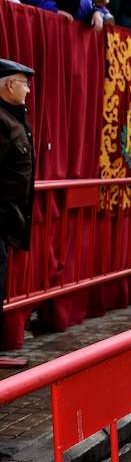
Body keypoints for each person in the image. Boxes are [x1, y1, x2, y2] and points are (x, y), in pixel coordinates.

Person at [0, 58, 36, 369]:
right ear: (9, 85)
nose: (27, 89)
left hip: (6, 221)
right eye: (23, 83)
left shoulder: (13, 117)